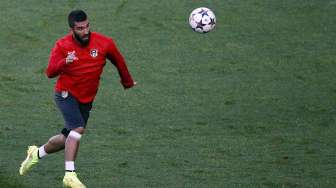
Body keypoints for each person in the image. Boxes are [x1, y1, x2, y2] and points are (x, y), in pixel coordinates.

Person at [19, 9, 136, 188]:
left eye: (87, 26)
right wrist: (65, 62)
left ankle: (36, 154)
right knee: (78, 129)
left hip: (86, 98)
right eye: (80, 28)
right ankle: (69, 174)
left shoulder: (105, 43)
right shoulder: (62, 45)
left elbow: (119, 62)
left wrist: (127, 82)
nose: (85, 31)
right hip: (65, 94)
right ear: (72, 29)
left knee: (67, 137)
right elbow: (50, 72)